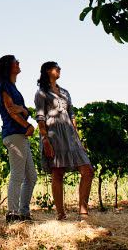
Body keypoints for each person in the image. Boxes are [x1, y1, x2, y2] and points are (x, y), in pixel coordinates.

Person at [34, 61, 93, 220]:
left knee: (88, 170)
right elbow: (40, 117)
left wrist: (78, 139)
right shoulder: (41, 93)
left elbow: (72, 115)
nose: (59, 69)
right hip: (54, 135)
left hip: (70, 135)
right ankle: (61, 214)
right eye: (56, 67)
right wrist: (45, 139)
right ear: (47, 71)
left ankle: (83, 210)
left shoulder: (65, 92)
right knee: (58, 172)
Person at [0, 54, 37, 223]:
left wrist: (23, 110)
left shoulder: (12, 87)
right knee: (18, 176)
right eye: (15, 61)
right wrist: (26, 124)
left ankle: (23, 212)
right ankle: (12, 214)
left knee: (31, 176)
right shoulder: (4, 85)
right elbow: (11, 110)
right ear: (8, 66)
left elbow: (21, 110)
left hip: (20, 135)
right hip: (14, 133)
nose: (19, 63)